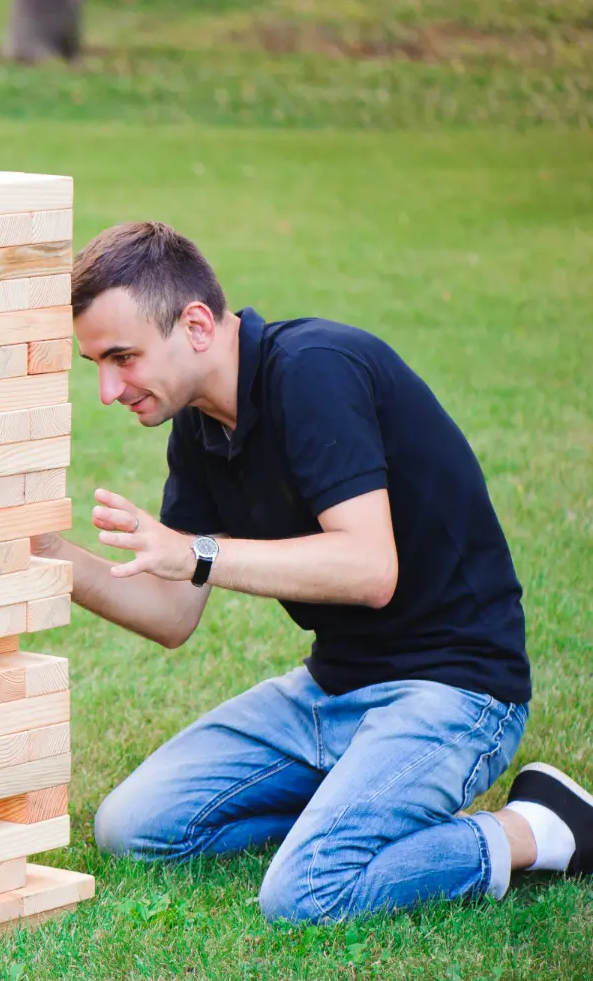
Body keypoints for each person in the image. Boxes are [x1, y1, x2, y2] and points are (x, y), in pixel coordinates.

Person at [36, 221, 591, 923]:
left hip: (456, 691)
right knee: (133, 830)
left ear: (197, 325)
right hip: (334, 689)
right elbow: (173, 614)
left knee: (304, 895)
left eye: (123, 357)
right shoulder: (201, 422)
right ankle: (347, 812)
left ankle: (535, 829)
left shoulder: (316, 370)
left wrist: (198, 553)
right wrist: (45, 555)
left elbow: (369, 568)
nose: (108, 391)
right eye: (97, 365)